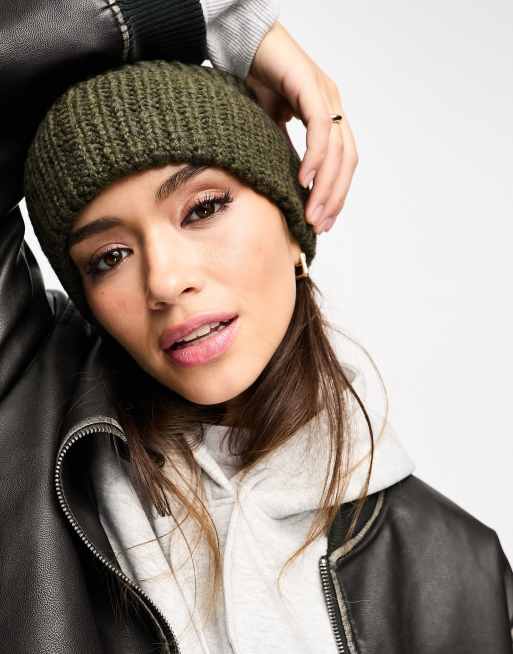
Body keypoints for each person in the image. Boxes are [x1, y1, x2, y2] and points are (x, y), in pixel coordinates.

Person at [1, 6, 511, 654]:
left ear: (293, 222)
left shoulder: (457, 569)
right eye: (109, 257)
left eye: (203, 209)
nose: (165, 281)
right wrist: (211, 15)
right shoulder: (26, 422)